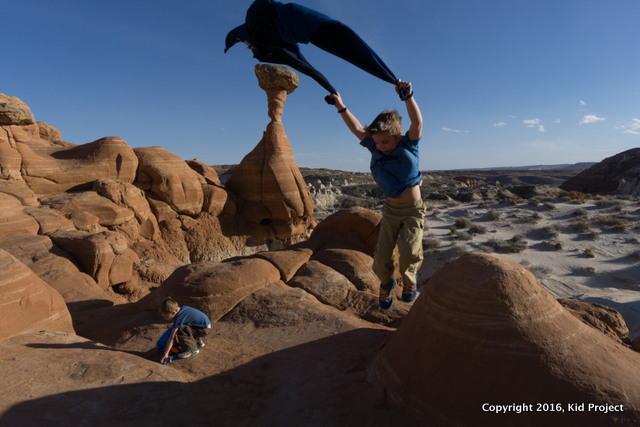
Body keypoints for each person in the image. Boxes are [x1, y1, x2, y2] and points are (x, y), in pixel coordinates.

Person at [329, 81, 426, 309]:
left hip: (413, 210)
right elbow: (356, 129)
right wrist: (340, 106)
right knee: (381, 257)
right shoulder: (374, 146)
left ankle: (410, 281)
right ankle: (386, 283)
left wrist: (408, 97)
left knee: (410, 251)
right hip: (391, 210)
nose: (380, 146)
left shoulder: (408, 145)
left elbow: (417, 122)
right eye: (377, 142)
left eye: (385, 141)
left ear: (397, 135)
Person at [224, 0, 408, 103]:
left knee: (335, 37)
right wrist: (333, 92)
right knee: (333, 36)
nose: (251, 50)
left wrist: (391, 78)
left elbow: (346, 47)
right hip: (272, 25)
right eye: (248, 46)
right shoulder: (277, 44)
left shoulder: (277, 36)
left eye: (248, 46)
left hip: (270, 20)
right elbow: (311, 70)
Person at [158, 297, 211, 363]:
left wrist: (165, 353)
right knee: (186, 325)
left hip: (204, 329)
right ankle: (198, 342)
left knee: (181, 329)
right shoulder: (183, 308)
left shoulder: (179, 318)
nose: (165, 319)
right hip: (205, 326)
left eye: (166, 316)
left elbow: (172, 338)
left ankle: (191, 350)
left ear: (173, 313)